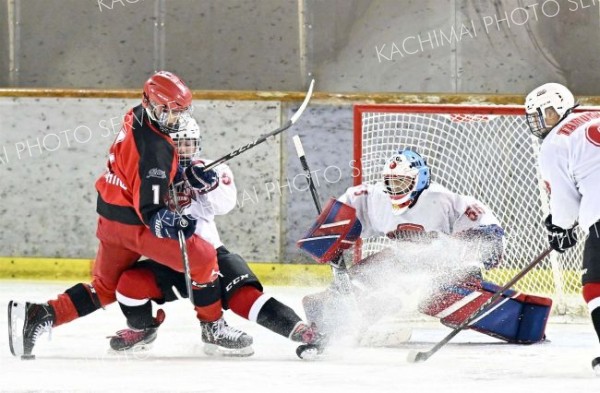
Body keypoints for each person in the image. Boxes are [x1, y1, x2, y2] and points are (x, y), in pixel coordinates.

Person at [8, 71, 250, 359]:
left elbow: (141, 176)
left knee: (104, 288)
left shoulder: (136, 115)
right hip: (137, 225)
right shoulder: (156, 151)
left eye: (180, 112)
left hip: (111, 221)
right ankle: (213, 327)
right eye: (170, 111)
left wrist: (181, 172)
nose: (175, 119)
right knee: (204, 257)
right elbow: (153, 213)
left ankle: (40, 314)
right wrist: (173, 223)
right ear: (153, 104)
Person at [106, 117, 324, 358]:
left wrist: (208, 185)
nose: (185, 149)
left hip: (209, 254)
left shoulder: (211, 168)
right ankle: (142, 329)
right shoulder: (150, 173)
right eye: (179, 143)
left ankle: (301, 331)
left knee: (245, 296)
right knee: (129, 284)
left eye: (190, 143)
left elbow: (225, 204)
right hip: (167, 258)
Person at [298, 148, 552, 346]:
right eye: (390, 182)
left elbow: (490, 237)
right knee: (360, 281)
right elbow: (347, 208)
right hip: (402, 261)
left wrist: (469, 266)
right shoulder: (375, 197)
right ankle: (342, 326)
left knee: (438, 297)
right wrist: (332, 234)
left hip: (444, 266)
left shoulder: (445, 201)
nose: (393, 189)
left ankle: (522, 323)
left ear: (419, 181)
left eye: (400, 183)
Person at [524, 82, 600, 372]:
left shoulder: (556, 140)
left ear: (561, 107)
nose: (541, 122)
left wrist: (560, 228)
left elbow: (564, 202)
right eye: (535, 117)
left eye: (545, 113)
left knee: (596, 286)